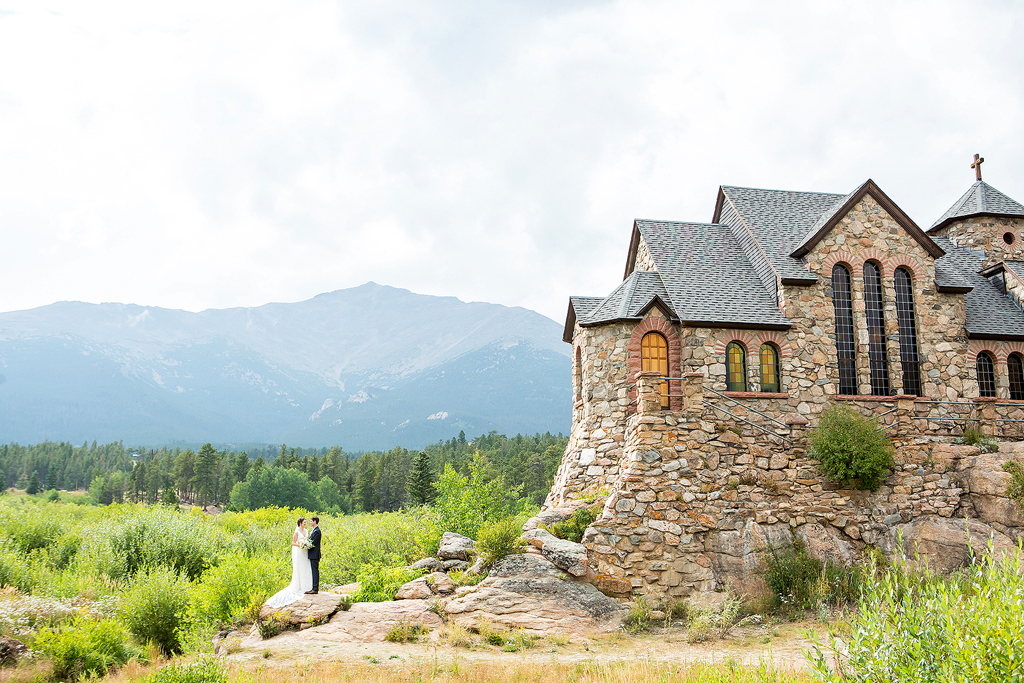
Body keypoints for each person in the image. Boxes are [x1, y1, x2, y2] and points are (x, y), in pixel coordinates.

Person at [263, 517, 313, 608]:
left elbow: (308, 540)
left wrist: (307, 544)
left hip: (305, 552)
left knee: (306, 567)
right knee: (300, 568)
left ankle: (307, 586)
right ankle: (300, 586)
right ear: (300, 523)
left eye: (306, 522)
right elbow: (293, 543)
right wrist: (301, 545)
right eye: (304, 522)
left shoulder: (307, 531)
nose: (305, 524)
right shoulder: (297, 532)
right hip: (300, 552)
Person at [305, 516, 321, 595]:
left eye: (311, 521)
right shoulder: (315, 530)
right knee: (314, 570)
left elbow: (313, 542)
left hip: (315, 554)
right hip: (313, 554)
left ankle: (315, 588)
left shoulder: (317, 531)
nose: (310, 522)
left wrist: (305, 545)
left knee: (315, 571)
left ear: (315, 522)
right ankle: (314, 587)